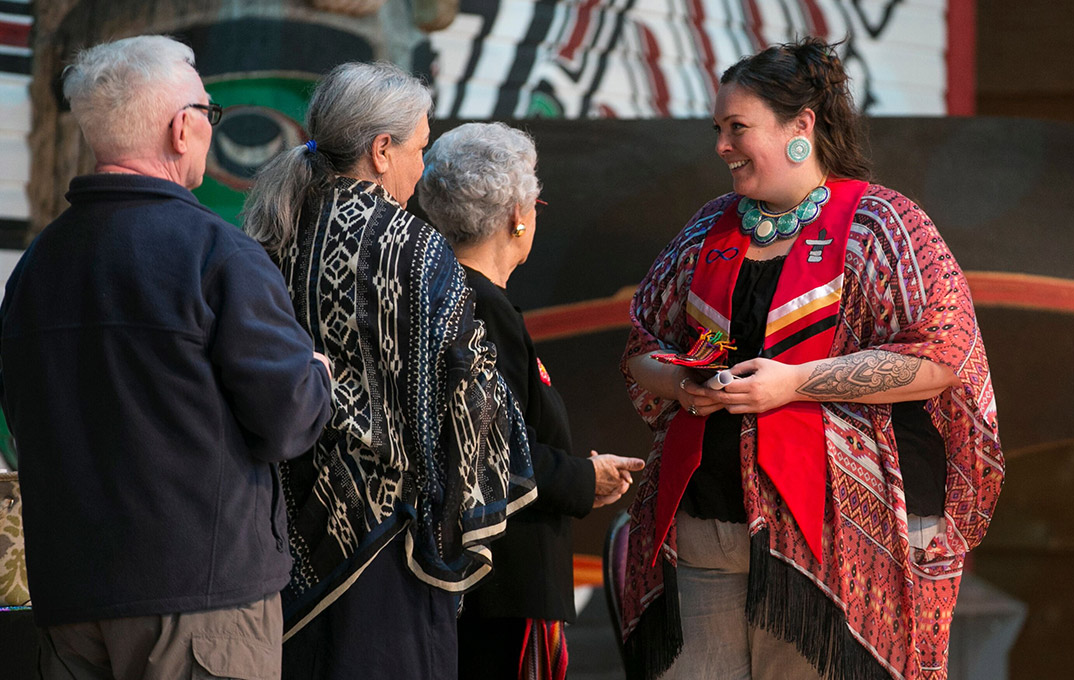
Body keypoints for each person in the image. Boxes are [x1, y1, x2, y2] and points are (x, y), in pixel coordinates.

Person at [618, 38, 1004, 680]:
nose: (721, 145)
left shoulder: (884, 225)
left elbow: (942, 355)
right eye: (717, 128)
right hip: (706, 527)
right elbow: (640, 348)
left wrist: (795, 382)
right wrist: (685, 385)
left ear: (802, 125)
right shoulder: (708, 229)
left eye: (737, 127)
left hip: (838, 540)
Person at [0, 35, 333, 679]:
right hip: (201, 611)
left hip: (70, 604)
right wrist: (315, 377)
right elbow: (287, 422)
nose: (208, 127)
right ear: (183, 128)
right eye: (209, 113)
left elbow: (23, 415)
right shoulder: (220, 255)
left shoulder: (36, 268)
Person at [241, 63, 536, 680]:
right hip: (390, 547)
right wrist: (455, 522)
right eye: (420, 149)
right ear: (381, 151)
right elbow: (459, 398)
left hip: (281, 537)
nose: (422, 169)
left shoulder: (272, 231)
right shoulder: (416, 246)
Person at [417, 122, 646, 680]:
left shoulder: (449, 297)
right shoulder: (483, 309)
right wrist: (583, 479)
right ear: (518, 214)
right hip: (505, 580)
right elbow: (496, 453)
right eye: (536, 202)